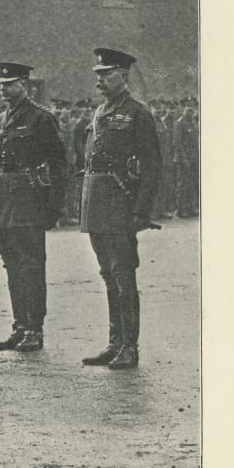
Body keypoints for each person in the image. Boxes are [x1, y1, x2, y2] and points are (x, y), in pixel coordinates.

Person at [79, 48, 162, 370]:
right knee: (108, 274)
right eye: (98, 75)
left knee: (123, 275)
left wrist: (141, 211)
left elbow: (152, 165)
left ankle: (130, 346)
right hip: (97, 204)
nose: (99, 80)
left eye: (106, 74)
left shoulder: (138, 113)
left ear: (123, 76)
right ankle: (115, 343)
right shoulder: (100, 112)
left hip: (120, 205)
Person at [0, 62, 67, 353]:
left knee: (31, 265)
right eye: (1, 85)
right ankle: (19, 326)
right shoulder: (0, 119)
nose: (4, 90)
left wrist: (54, 205)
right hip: (2, 198)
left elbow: (58, 164)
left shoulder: (41, 118)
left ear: (25, 86)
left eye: (10, 85)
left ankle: (34, 329)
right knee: (11, 265)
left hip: (28, 199)